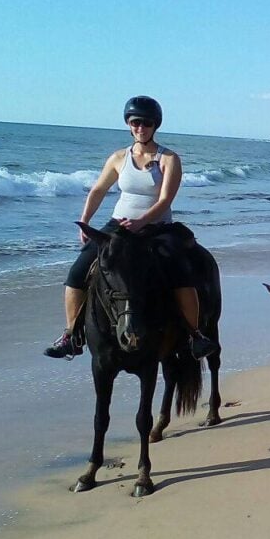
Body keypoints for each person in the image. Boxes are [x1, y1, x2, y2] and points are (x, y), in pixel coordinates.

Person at [43, 96, 219, 360]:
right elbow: (98, 189)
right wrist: (86, 220)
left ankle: (195, 335)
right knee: (78, 272)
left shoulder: (169, 159)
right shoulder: (118, 157)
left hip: (157, 228)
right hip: (119, 225)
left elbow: (165, 201)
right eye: (135, 122)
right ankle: (72, 335)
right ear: (128, 124)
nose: (140, 127)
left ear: (155, 125)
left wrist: (141, 222)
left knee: (181, 272)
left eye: (146, 123)